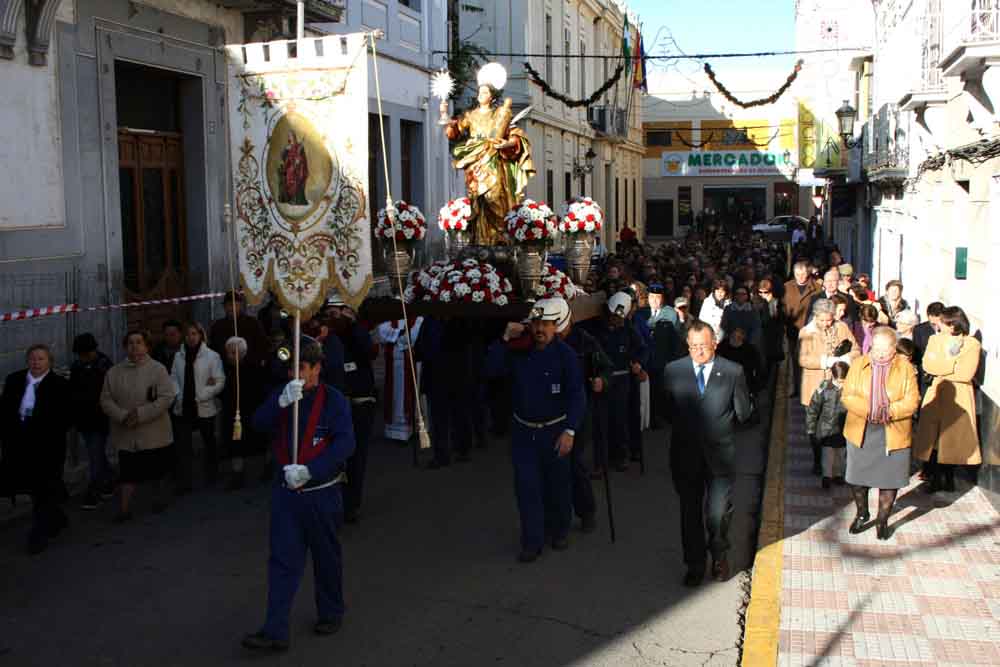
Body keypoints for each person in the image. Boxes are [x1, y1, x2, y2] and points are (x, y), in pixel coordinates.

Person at [242, 337, 355, 652]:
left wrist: (311, 470)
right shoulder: (283, 394)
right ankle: (275, 629)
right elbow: (257, 423)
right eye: (291, 366)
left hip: (321, 492)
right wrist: (279, 403)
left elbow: (345, 444)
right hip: (286, 495)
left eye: (302, 367)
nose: (296, 373)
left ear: (318, 368)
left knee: (326, 557)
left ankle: (331, 611)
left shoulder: (334, 400)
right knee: (282, 561)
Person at [485, 298, 586, 562]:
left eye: (546, 324)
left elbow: (577, 395)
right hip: (523, 433)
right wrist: (505, 338)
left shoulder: (566, 356)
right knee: (526, 487)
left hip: (555, 431)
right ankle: (532, 540)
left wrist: (570, 430)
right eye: (536, 323)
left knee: (557, 486)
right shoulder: (518, 351)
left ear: (556, 327)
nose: (539, 328)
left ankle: (559, 529)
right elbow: (491, 369)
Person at [663, 320, 752, 586]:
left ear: (715, 343)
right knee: (689, 512)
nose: (699, 351)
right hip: (684, 454)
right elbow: (664, 408)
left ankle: (719, 555)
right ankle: (694, 564)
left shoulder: (733, 371)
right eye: (693, 346)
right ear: (687, 346)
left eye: (704, 346)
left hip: (720, 456)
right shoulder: (673, 371)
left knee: (717, 512)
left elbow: (743, 412)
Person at [841, 326, 920, 540]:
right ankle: (862, 513)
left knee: (889, 480)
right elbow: (847, 396)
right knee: (857, 478)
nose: (880, 352)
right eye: (876, 347)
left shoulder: (905, 368)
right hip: (862, 429)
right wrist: (870, 411)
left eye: (886, 348)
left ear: (895, 348)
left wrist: (889, 412)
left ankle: (882, 520)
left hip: (893, 431)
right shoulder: (859, 364)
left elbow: (912, 402)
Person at [442, 63, 534, 245]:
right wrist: (446, 118)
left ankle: (499, 236)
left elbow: (516, 137)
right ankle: (480, 238)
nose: (480, 95)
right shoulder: (470, 115)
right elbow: (453, 133)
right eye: (479, 92)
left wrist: (506, 143)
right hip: (474, 161)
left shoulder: (499, 114)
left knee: (494, 196)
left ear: (491, 96)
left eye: (484, 93)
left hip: (493, 159)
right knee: (477, 200)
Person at [0, 344, 71, 554]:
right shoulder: (14, 380)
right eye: (32, 359)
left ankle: (38, 534)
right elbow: (4, 411)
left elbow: (65, 418)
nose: (36, 363)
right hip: (19, 447)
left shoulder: (59, 385)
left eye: (41, 359)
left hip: (47, 448)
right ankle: (57, 516)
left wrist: (45, 430)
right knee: (33, 488)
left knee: (43, 488)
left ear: (50, 362)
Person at [101, 330, 176, 521]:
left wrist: (140, 414)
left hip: (153, 432)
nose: (135, 347)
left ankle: (158, 499)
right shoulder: (114, 372)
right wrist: (124, 416)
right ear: (125, 347)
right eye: (130, 343)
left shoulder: (158, 369)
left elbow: (166, 397)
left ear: (146, 346)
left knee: (156, 470)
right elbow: (106, 400)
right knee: (127, 473)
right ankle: (124, 509)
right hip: (127, 433)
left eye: (139, 342)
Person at [912, 306, 982, 493]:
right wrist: (952, 361)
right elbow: (928, 364)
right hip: (937, 393)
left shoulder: (971, 344)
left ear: (953, 324)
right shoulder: (935, 340)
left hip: (958, 397)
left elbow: (966, 373)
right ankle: (934, 478)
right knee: (933, 439)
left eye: (943, 322)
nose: (939, 325)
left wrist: (942, 367)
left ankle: (949, 478)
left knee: (951, 440)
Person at [325, 294, 377, 523]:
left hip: (359, 400)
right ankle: (334, 502)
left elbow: (368, 350)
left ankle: (351, 504)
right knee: (333, 456)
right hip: (334, 402)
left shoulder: (358, 331)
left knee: (356, 456)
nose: (334, 316)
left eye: (338, 311)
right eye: (331, 312)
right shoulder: (326, 333)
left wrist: (353, 324)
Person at [798, 299, 860, 473]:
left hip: (839, 385)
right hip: (814, 386)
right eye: (822, 320)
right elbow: (802, 359)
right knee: (815, 426)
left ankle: (836, 465)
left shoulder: (842, 328)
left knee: (837, 425)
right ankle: (818, 460)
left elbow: (856, 349)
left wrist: (846, 359)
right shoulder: (806, 332)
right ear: (816, 316)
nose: (826, 323)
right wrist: (825, 361)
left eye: (829, 320)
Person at [591, 292, 647, 473]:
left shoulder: (629, 328)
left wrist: (638, 362)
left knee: (619, 419)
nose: (618, 321)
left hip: (622, 379)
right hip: (602, 379)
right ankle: (600, 461)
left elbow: (642, 349)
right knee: (600, 421)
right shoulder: (597, 329)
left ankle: (620, 455)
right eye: (615, 317)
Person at [170, 322, 226, 488]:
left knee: (209, 442)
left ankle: (212, 474)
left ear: (201, 335)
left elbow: (219, 380)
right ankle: (185, 480)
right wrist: (178, 395)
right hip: (183, 406)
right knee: (183, 446)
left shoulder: (212, 356)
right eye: (188, 334)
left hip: (204, 406)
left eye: (194, 334)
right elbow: (172, 377)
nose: (191, 337)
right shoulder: (178, 356)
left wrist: (203, 395)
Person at [70, 333, 115, 509]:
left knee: (94, 455)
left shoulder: (104, 365)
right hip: (84, 418)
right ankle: (109, 478)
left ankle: (93, 490)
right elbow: (73, 391)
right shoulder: (77, 366)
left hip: (99, 418)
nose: (83, 357)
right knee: (95, 453)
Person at [220, 336, 267, 491]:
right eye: (229, 353)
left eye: (235, 353)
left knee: (256, 442)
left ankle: (263, 469)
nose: (231, 356)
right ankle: (237, 474)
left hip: (250, 412)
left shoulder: (254, 369)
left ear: (243, 353)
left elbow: (260, 392)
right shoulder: (224, 369)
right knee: (235, 445)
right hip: (231, 414)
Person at [373, 316, 424, 442]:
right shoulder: (391, 318)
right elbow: (381, 331)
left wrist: (398, 340)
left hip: (412, 362)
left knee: (413, 394)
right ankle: (396, 433)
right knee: (395, 396)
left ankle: (414, 429)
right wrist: (401, 337)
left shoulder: (417, 318)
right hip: (394, 364)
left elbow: (414, 335)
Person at [805, 361, 849, 489]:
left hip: (843, 428)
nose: (841, 384)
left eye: (843, 381)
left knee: (841, 453)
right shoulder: (824, 388)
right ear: (833, 377)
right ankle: (827, 476)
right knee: (827, 453)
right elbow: (813, 408)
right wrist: (811, 428)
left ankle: (838, 474)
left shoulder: (850, 389)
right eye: (840, 381)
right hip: (826, 427)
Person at [782, 261, 821, 398]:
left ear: (808, 273)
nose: (801, 277)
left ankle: (808, 388)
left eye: (803, 274)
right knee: (794, 360)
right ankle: (795, 387)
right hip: (793, 330)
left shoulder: (817, 288)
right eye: (797, 274)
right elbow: (782, 309)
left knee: (809, 359)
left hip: (810, 330)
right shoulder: (786, 287)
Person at [209, 290, 269, 371]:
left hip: (250, 370)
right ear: (224, 306)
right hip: (226, 371)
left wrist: (246, 359)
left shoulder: (252, 323)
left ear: (240, 306)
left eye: (235, 305)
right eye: (228, 305)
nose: (231, 308)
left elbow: (262, 346)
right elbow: (214, 349)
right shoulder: (218, 326)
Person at [717, 327, 761, 395]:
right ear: (730, 335)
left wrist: (753, 389)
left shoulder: (750, 350)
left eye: (738, 337)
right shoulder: (722, 346)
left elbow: (757, 369)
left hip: (742, 384)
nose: (735, 339)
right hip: (724, 383)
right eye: (733, 336)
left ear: (742, 338)